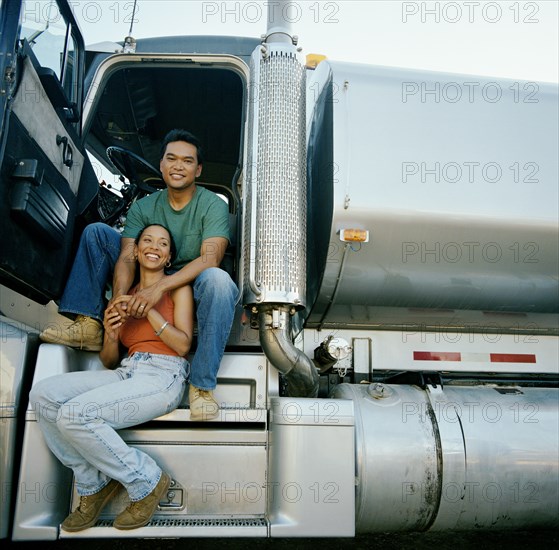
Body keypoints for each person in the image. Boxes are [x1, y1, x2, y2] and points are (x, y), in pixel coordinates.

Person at [40, 129, 238, 420]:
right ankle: (90, 324)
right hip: (151, 273)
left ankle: (201, 386)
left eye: (186, 161)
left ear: (198, 169)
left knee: (219, 281)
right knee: (97, 232)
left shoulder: (212, 204)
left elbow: (212, 258)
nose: (178, 166)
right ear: (161, 165)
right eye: (171, 159)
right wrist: (119, 299)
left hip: (193, 279)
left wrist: (159, 288)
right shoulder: (145, 206)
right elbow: (126, 256)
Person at [30, 224, 193, 532]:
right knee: (43, 395)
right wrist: (111, 334)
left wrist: (150, 313)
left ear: (169, 257)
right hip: (127, 370)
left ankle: (146, 480)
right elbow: (109, 360)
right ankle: (94, 484)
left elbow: (184, 344)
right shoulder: (123, 296)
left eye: (162, 243)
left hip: (165, 374)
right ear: (135, 250)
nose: (154, 246)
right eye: (147, 240)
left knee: (75, 415)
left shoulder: (177, 289)